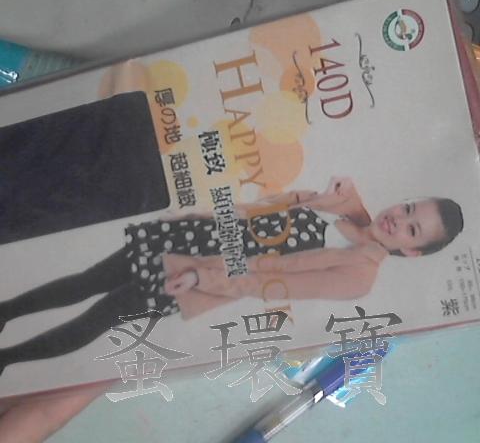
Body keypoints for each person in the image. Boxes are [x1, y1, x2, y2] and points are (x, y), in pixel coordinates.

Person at [0, 177, 464, 376]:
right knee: (86, 280)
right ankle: (4, 312)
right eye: (408, 208)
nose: (398, 219)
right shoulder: (345, 204)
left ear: (412, 251)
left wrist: (202, 280)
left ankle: (7, 359)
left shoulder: (358, 275)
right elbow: (260, 209)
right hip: (191, 236)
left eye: (412, 229)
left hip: (202, 274)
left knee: (102, 315)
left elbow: (268, 283)